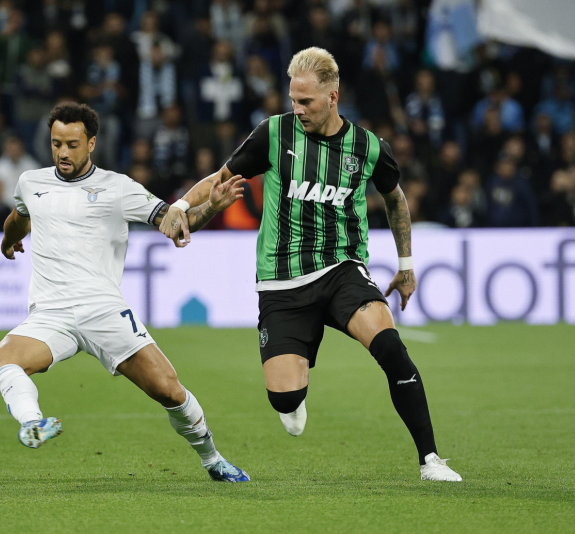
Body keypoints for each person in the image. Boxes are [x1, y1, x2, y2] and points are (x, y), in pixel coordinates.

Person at [159, 47, 462, 482]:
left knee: (392, 349)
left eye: (306, 101)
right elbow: (221, 176)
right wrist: (182, 204)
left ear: (333, 97)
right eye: (293, 100)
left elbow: (395, 199)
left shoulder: (368, 147)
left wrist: (407, 264)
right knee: (284, 399)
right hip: (282, 281)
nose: (297, 109)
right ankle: (298, 377)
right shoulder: (274, 133)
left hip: (341, 268)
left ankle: (430, 460)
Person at [0, 102, 250, 482]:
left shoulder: (118, 188)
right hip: (50, 314)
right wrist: (8, 241)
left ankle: (213, 460)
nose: (63, 152)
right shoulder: (30, 182)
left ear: (92, 143)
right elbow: (19, 217)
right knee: (1, 362)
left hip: (103, 311)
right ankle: (32, 423)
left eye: (73, 144)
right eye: (57, 144)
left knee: (169, 391)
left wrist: (211, 207)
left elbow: (177, 222)